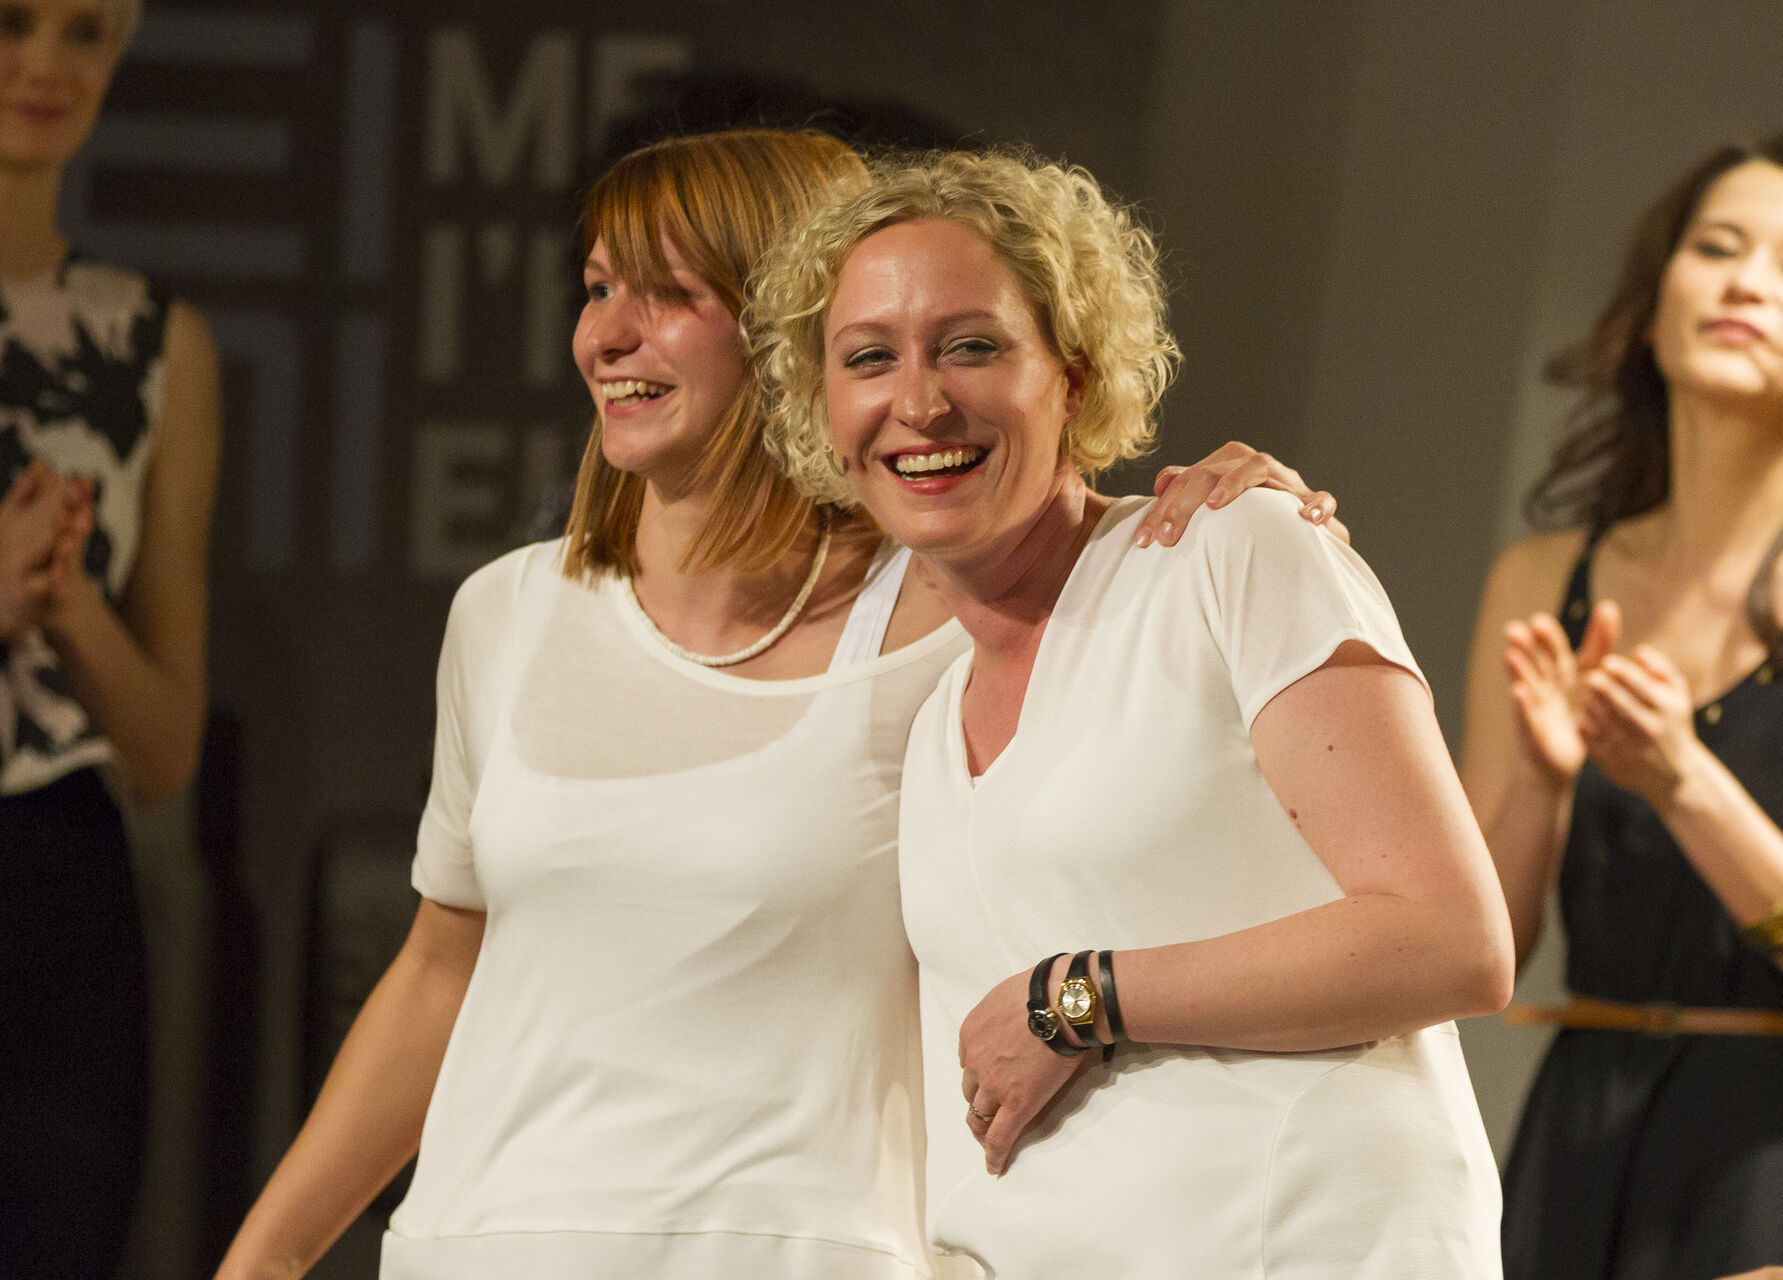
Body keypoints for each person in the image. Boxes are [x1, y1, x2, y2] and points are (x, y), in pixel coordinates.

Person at [213, 128, 1330, 1280]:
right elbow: (441, 970)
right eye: (597, 289)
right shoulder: (508, 612)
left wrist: (1234, 494)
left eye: (669, 293)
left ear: (787, 327)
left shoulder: (952, 614)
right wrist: (261, 1261)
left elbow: (1089, 534)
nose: (606, 334)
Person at [752, 147, 1513, 1277]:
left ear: (1073, 374)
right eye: (870, 358)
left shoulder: (1232, 551)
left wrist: (1075, 997)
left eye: (972, 346)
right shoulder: (929, 719)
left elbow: (1451, 939)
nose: (919, 401)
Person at [1462, 133, 1783, 1280]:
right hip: (1573, 1135)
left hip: (1773, 1162)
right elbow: (1478, 949)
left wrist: (1686, 781)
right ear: (1653, 308)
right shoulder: (1541, 578)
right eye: (1716, 248)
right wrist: (1544, 780)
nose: (1746, 284)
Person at [0, 0, 223, 1275]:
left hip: (57, 892)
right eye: (12, 22)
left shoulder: (156, 343)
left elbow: (165, 748)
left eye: (85, 32)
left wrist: (68, 603)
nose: (44, 64)